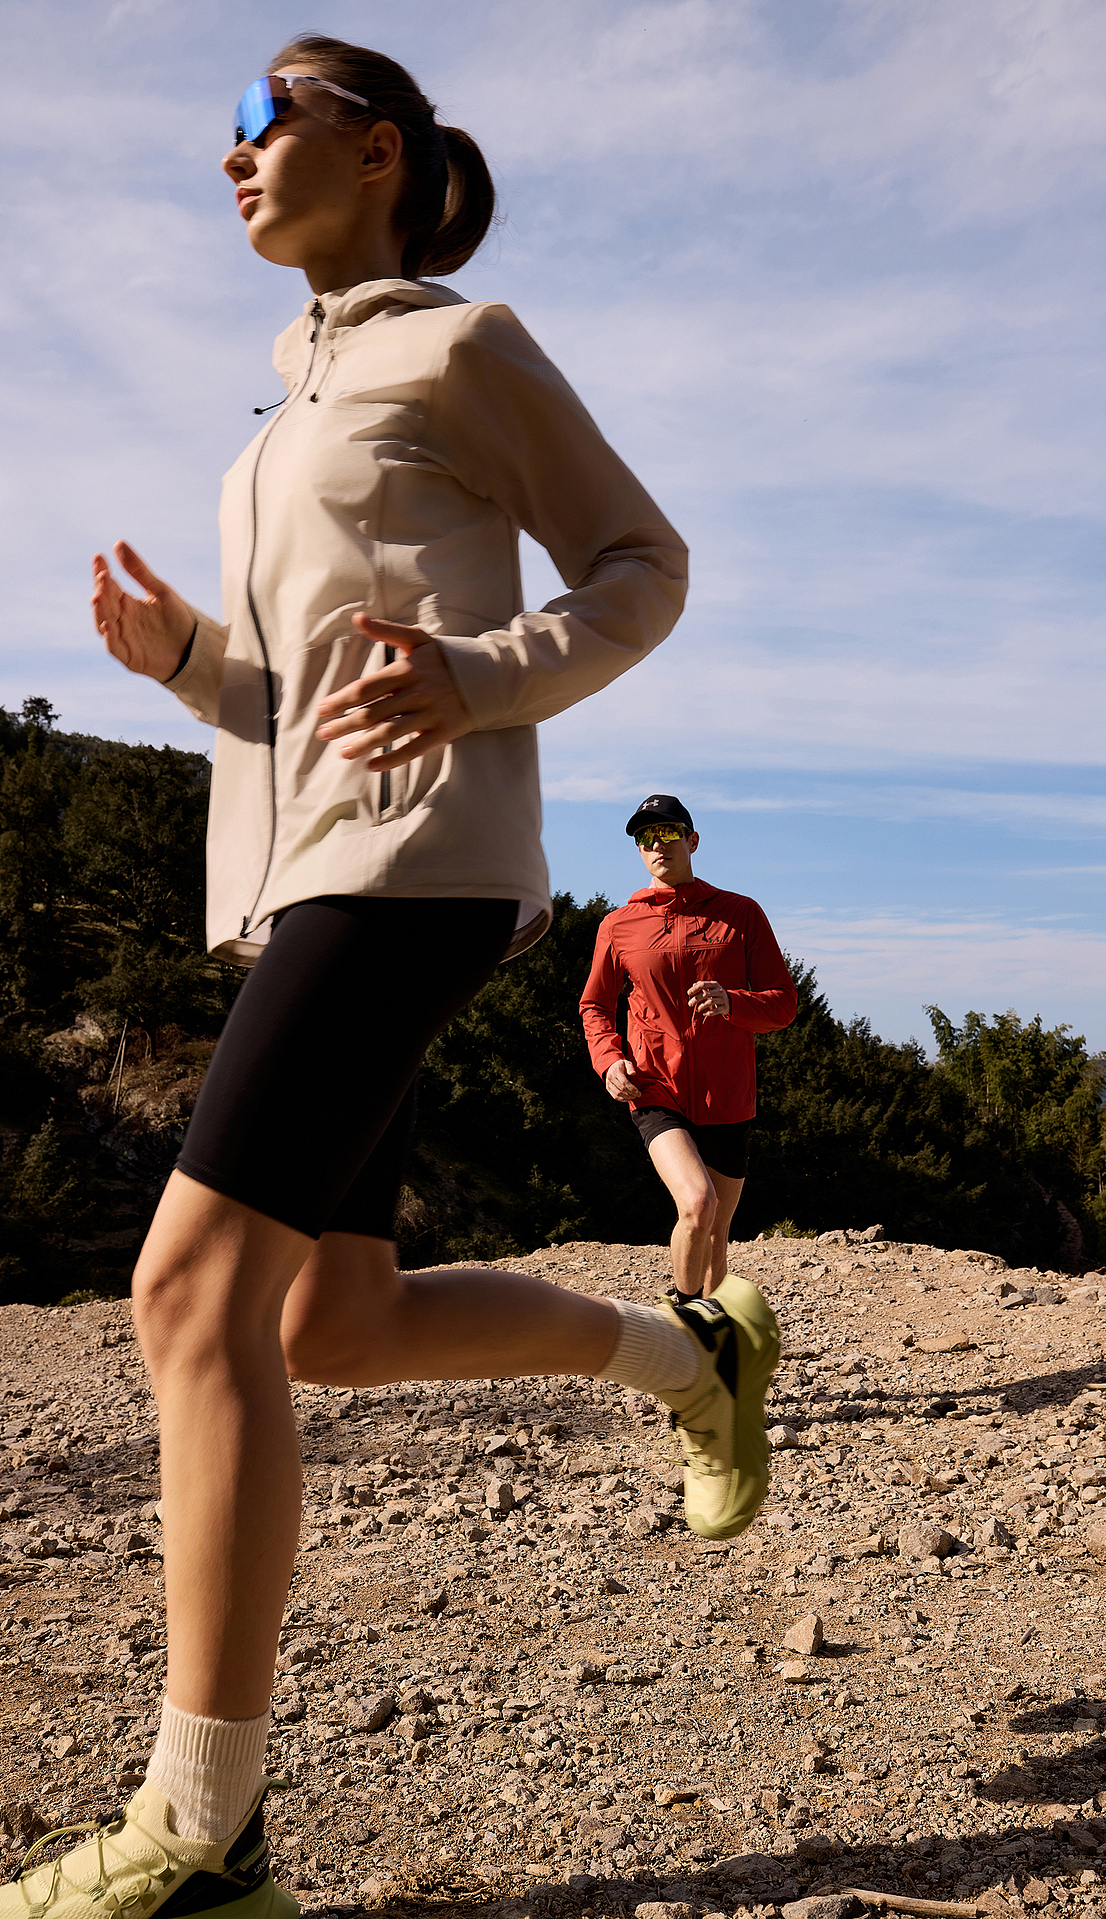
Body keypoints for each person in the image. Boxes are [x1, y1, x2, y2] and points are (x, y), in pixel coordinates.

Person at [5, 39, 779, 1919]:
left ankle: (205, 1834)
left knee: (185, 1294)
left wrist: (483, 673)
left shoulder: (462, 344)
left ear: (379, 148)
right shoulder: (290, 402)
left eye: (263, 119)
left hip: (413, 871)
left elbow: (641, 562)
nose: (230, 152)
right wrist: (188, 659)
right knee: (324, 1323)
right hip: (300, 880)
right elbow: (304, 702)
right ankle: (697, 1356)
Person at [579, 794, 798, 1303]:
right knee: (697, 1205)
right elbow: (594, 1006)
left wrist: (733, 1001)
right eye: (645, 837)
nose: (658, 844)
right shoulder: (618, 925)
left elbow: (783, 1004)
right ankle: (684, 1316)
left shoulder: (741, 914)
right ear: (638, 851)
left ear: (692, 840)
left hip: (728, 1095)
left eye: (669, 832)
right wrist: (609, 1061)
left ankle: (712, 1351)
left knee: (716, 1232)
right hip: (657, 1087)